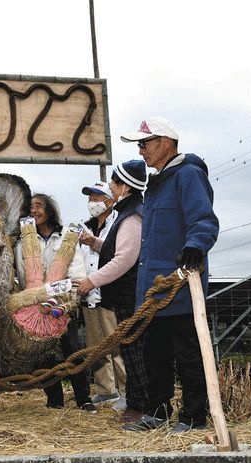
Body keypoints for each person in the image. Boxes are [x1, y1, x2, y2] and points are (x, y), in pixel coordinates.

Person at [119, 117, 219, 433]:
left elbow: (204, 220)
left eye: (145, 143)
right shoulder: (158, 182)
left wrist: (195, 245)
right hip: (154, 290)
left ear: (165, 142)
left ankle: (193, 417)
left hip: (181, 285)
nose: (141, 149)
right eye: (139, 144)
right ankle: (158, 412)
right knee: (155, 356)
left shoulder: (188, 175)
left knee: (188, 355)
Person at [78, 161, 149, 424]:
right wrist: (95, 243)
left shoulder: (131, 217)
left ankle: (139, 406)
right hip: (122, 294)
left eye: (115, 182)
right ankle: (136, 404)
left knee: (132, 352)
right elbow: (114, 250)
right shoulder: (126, 213)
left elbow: (124, 259)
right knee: (129, 350)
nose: (111, 187)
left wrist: (92, 280)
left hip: (128, 294)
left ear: (125, 187)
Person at [14, 194, 97, 413]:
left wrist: (62, 294)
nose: (34, 211)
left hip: (62, 304)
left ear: (49, 211)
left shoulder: (65, 239)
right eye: (30, 207)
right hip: (36, 305)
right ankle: (54, 399)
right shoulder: (23, 241)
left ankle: (83, 398)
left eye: (39, 206)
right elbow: (22, 273)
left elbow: (77, 273)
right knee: (42, 355)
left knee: (72, 349)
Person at [79, 182, 127, 411]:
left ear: (110, 200)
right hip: (88, 295)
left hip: (110, 294)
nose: (92, 202)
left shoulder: (119, 224)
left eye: (97, 198)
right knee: (96, 347)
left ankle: (127, 392)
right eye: (91, 198)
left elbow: (119, 256)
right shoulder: (84, 227)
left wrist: (94, 243)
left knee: (117, 345)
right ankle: (106, 391)